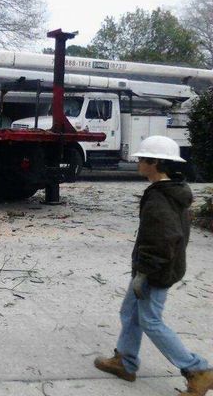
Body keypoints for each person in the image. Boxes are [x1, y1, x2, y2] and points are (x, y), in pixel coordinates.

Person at [94, 135, 213, 396]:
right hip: (155, 268)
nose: (138, 162)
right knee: (130, 312)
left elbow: (162, 240)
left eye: (141, 159)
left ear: (155, 162)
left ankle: (198, 370)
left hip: (155, 271)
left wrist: (144, 274)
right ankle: (126, 362)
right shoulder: (169, 191)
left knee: (151, 321)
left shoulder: (160, 199)